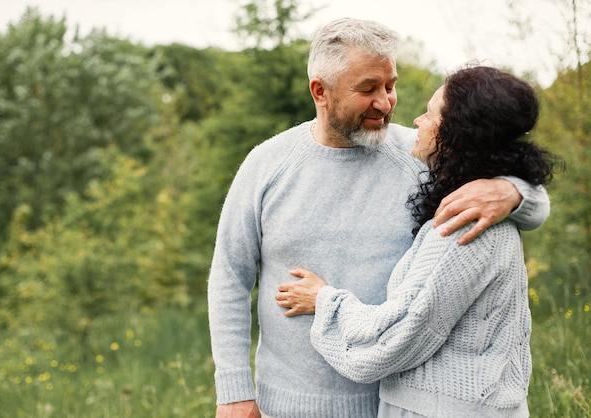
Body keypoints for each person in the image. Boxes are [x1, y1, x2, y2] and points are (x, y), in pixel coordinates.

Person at [208, 18, 550, 418]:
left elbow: (526, 202)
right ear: (320, 91)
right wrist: (233, 391)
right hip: (286, 403)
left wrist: (513, 192)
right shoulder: (267, 164)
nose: (386, 102)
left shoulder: (422, 154)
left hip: (393, 405)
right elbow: (230, 278)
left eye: (391, 85)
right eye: (368, 88)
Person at [276, 65, 562, 417]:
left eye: (429, 114)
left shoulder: (466, 223)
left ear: (457, 134)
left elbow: (396, 337)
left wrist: (323, 300)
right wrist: (513, 189)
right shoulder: (474, 200)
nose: (415, 120)